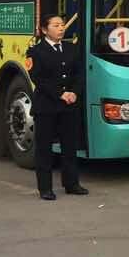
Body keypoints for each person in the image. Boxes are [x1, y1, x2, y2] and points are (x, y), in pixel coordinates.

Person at [26, 15, 88, 200]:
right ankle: (45, 188)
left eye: (62, 25)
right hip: (46, 106)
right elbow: (37, 78)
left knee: (69, 146)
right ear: (45, 30)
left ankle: (71, 183)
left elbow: (79, 73)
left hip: (69, 105)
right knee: (44, 148)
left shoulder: (71, 48)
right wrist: (60, 94)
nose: (61, 28)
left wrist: (74, 92)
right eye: (56, 25)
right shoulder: (35, 51)